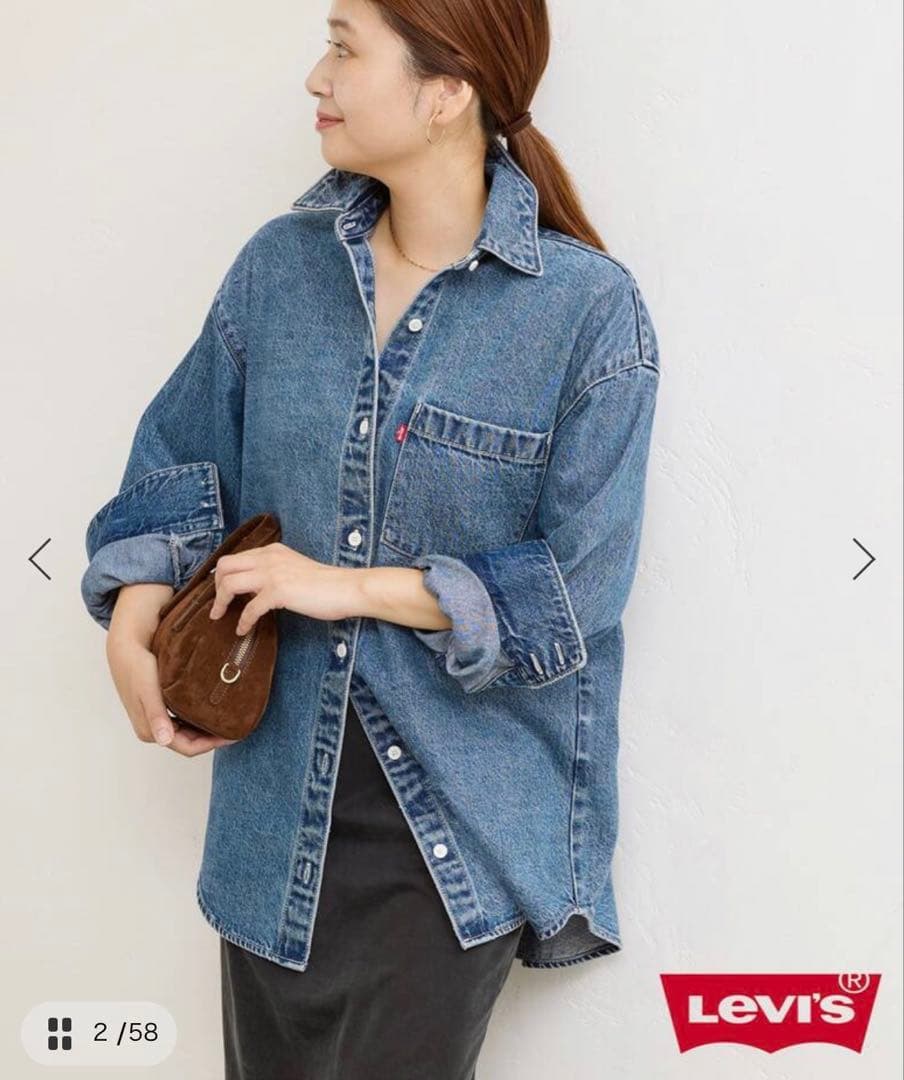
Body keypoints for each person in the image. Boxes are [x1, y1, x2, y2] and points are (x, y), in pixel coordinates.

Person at [81, 1, 662, 1076]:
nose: (317, 76)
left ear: (447, 91)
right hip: (271, 824)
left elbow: (575, 589)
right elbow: (178, 461)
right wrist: (135, 616)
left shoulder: (586, 313)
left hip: (453, 832)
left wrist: (345, 585)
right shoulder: (278, 271)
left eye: (345, 48)